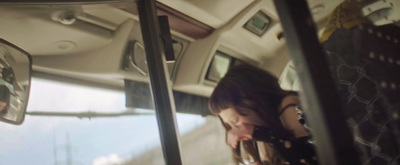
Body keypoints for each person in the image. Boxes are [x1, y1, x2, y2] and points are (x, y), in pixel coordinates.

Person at [209, 64, 318, 165]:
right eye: (230, 125)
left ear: (255, 100)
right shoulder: (265, 130)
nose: (236, 129)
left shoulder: (288, 106)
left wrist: (259, 133)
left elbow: (311, 157)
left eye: (235, 121)